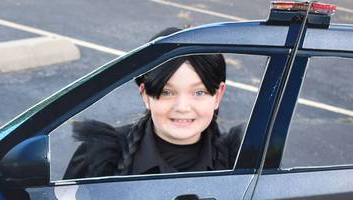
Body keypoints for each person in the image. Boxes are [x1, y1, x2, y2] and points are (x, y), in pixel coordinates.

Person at [64, 28, 244, 180]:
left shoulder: (242, 159)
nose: (182, 107)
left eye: (199, 92)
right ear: (145, 95)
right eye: (167, 92)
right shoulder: (100, 158)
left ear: (218, 95)